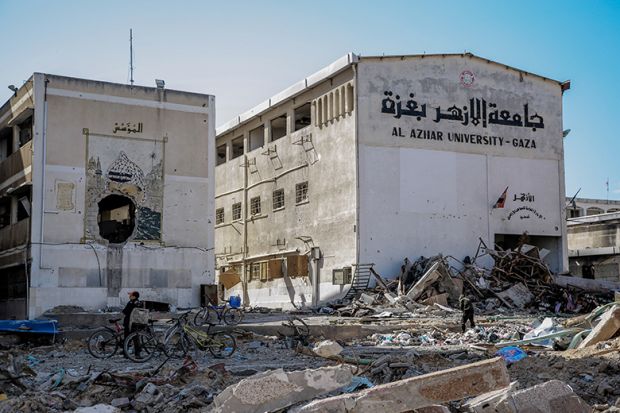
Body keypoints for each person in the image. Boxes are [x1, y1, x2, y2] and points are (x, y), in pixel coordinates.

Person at [122, 291, 142, 357]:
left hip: (131, 323)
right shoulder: (134, 302)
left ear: (134, 296)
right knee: (133, 338)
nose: (129, 296)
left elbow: (125, 311)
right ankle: (130, 353)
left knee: (131, 338)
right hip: (131, 322)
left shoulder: (134, 302)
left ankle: (132, 354)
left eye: (131, 295)